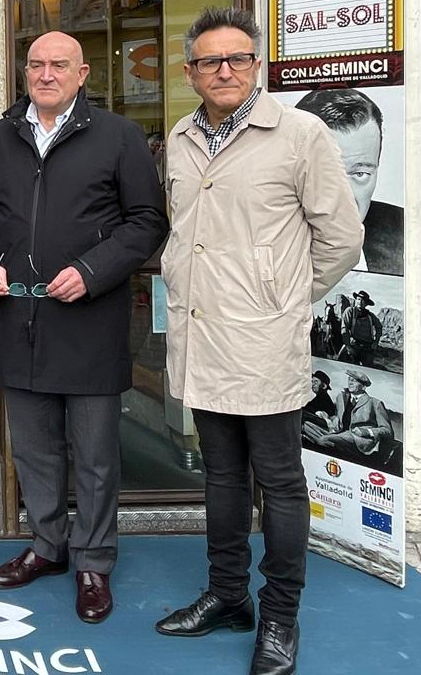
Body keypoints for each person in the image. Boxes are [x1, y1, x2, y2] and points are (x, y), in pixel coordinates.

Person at [155, 8, 363, 675]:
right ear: (190, 72)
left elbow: (341, 237)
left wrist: (282, 298)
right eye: (210, 61)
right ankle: (226, 595)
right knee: (219, 475)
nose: (224, 70)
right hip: (203, 337)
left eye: (238, 58)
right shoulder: (181, 137)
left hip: (265, 341)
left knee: (278, 480)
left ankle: (278, 615)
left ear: (256, 67)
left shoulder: (300, 134)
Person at [0, 32, 168, 622]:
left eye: (59, 65)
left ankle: (94, 562)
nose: (46, 73)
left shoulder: (117, 136)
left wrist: (92, 270)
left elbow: (148, 220)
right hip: (18, 316)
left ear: (83, 74)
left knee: (96, 454)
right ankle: (49, 546)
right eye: (36, 64)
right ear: (23, 72)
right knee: (33, 450)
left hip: (88, 319)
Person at [295, 89, 403, 275]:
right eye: (325, 173)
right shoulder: (260, 238)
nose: (345, 196)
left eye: (360, 173)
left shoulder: (406, 232)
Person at [302, 370, 393, 460]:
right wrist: (328, 418)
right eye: (349, 379)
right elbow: (339, 419)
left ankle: (327, 446)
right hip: (339, 433)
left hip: (358, 439)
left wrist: (366, 432)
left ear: (364, 387)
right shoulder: (341, 398)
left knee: (324, 440)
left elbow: (387, 430)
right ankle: (330, 444)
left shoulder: (375, 403)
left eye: (354, 380)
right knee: (306, 426)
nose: (350, 382)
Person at [337, 290, 382, 366]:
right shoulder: (350, 311)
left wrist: (376, 341)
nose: (360, 302)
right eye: (358, 299)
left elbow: (379, 327)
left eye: (363, 300)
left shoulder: (370, 315)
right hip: (353, 345)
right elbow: (344, 329)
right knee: (340, 363)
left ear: (366, 304)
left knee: (369, 369)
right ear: (355, 300)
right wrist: (348, 346)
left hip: (367, 347)